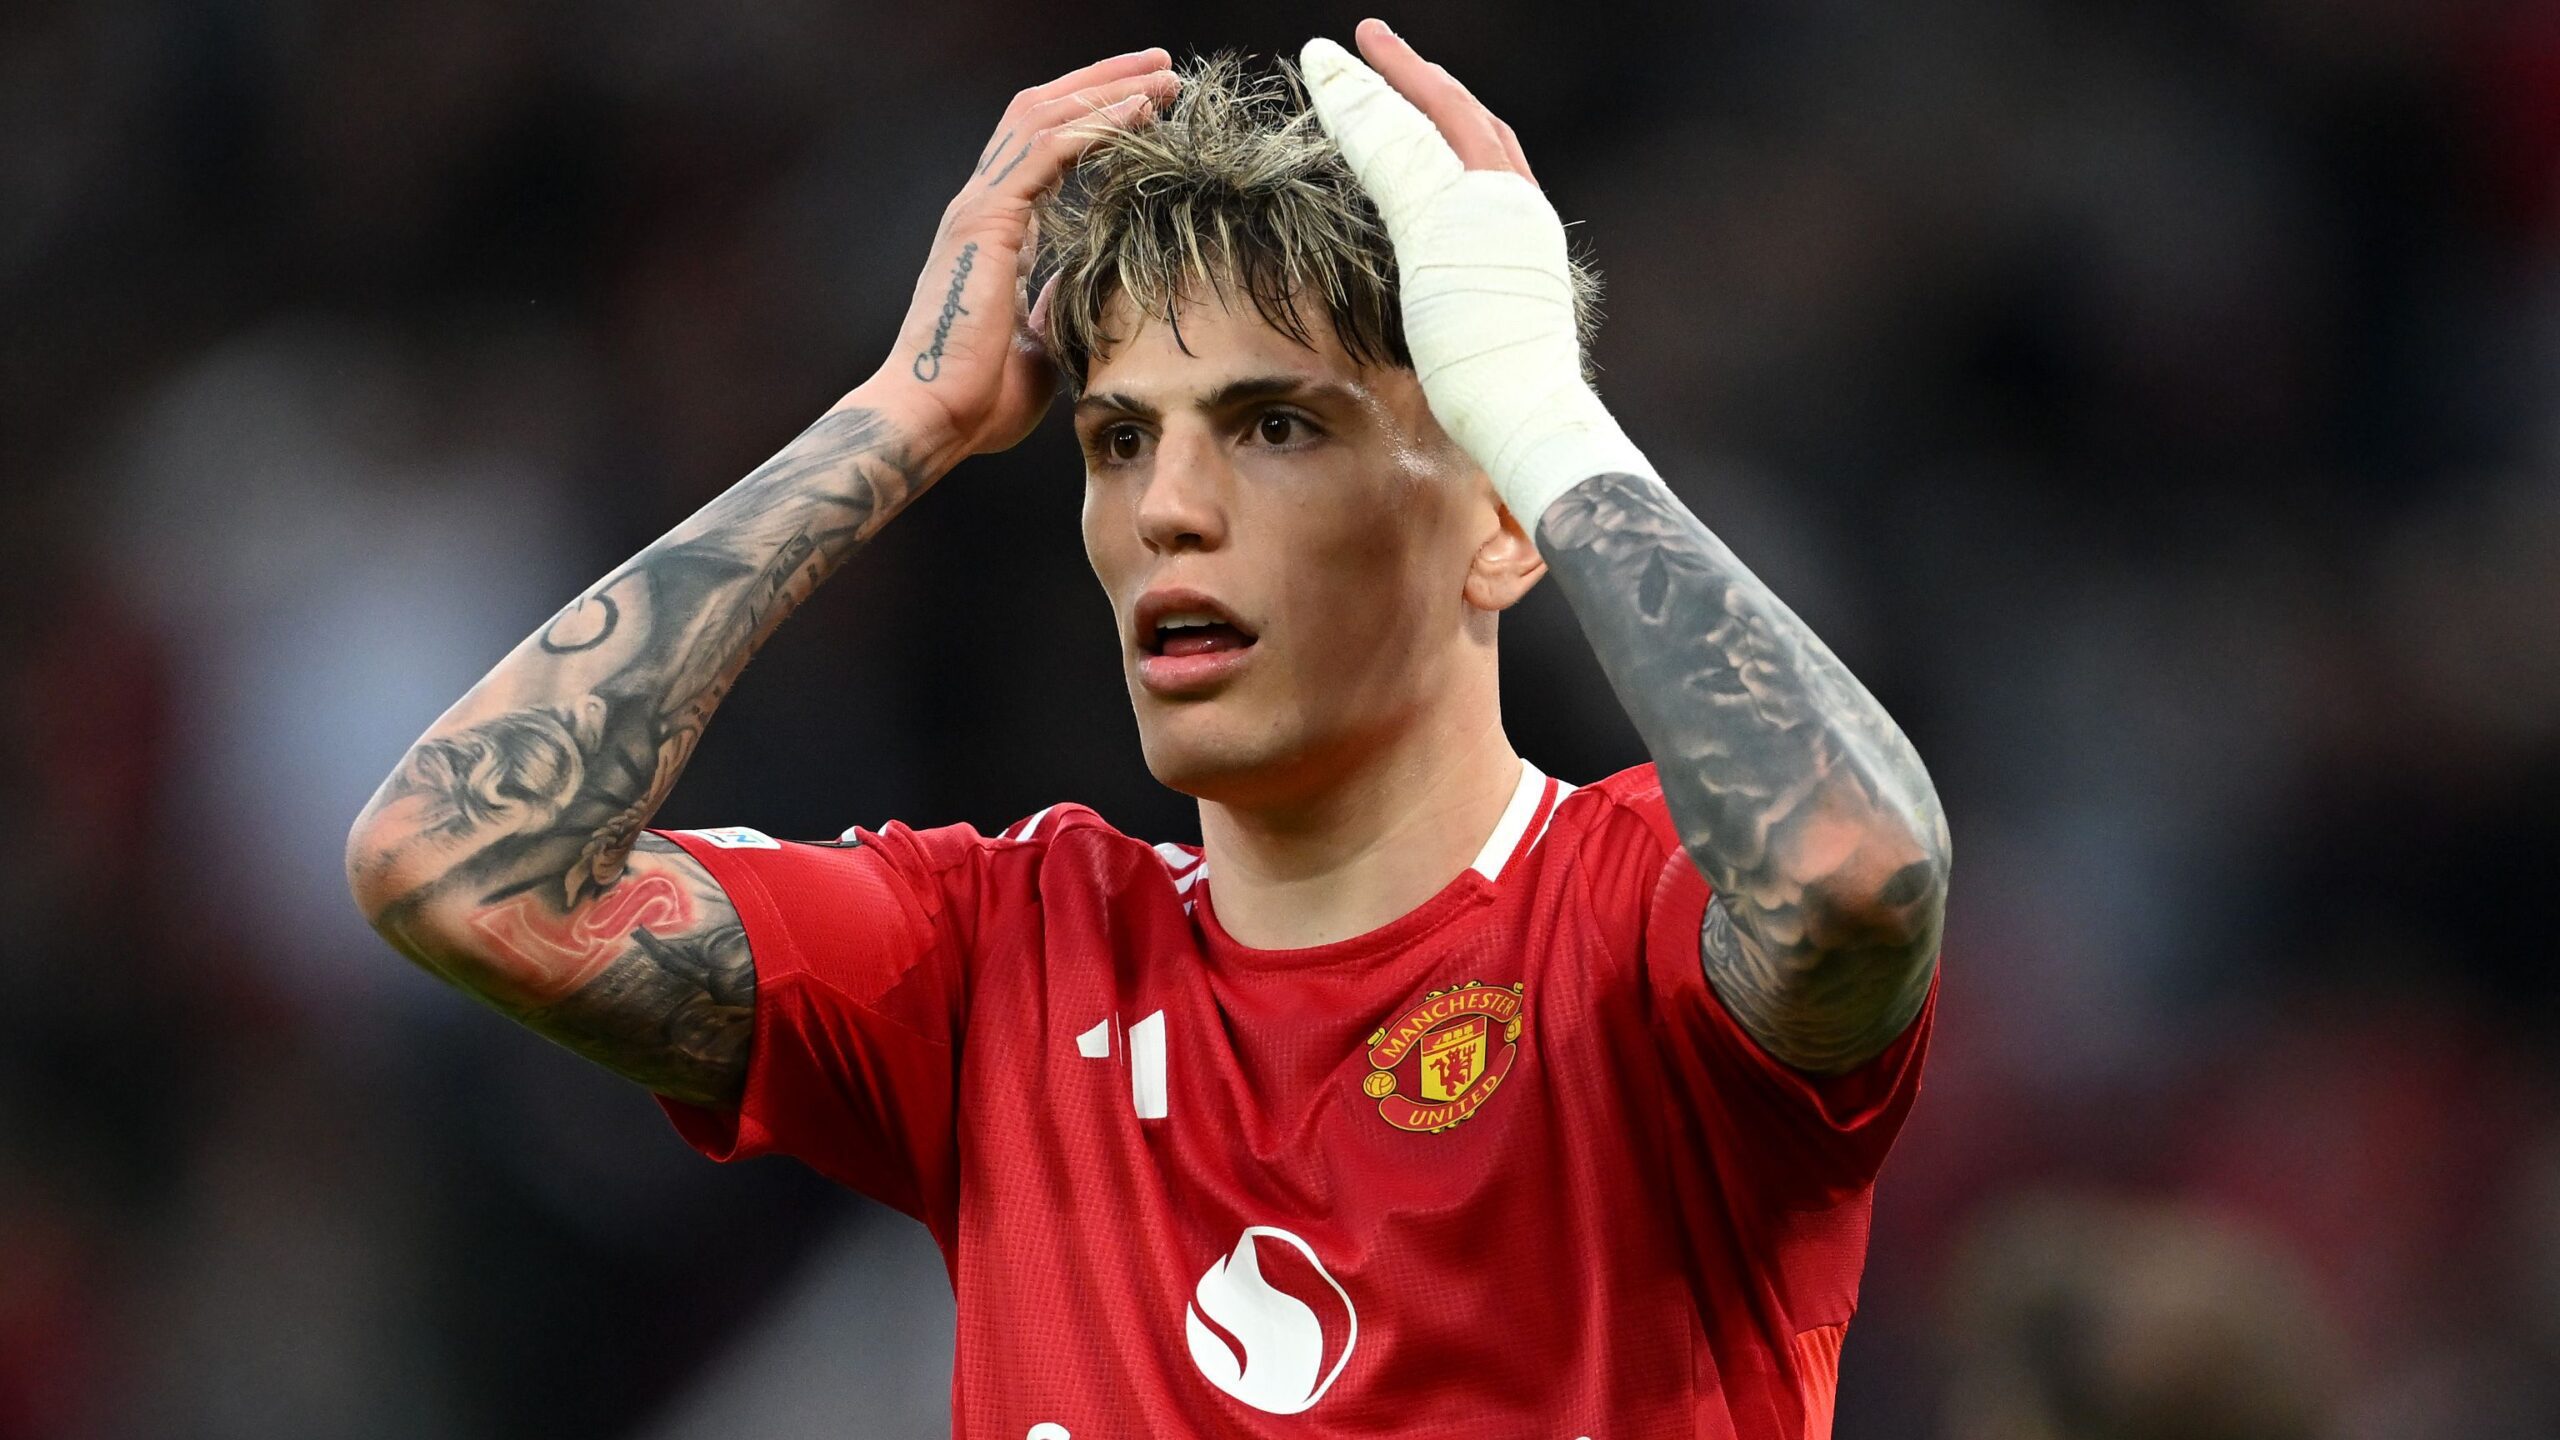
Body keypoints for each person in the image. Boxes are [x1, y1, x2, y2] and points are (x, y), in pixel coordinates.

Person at [346, 20, 1949, 1438]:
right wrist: (903, 413)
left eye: (1274, 426)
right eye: (1118, 440)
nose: (1169, 506)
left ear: (1500, 522)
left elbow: (1858, 870)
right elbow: (455, 871)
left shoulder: (1637, 918)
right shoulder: (1000, 962)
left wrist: (1545, 419)